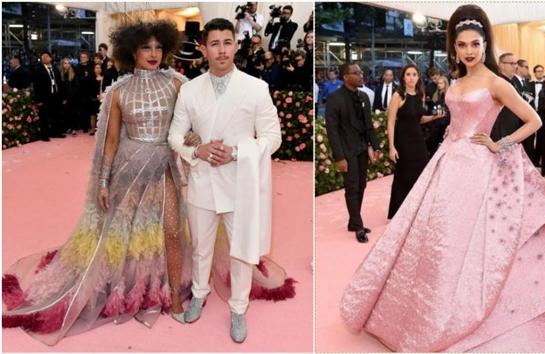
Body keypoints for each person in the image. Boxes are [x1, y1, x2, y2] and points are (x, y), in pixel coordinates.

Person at [340, 4, 545, 352]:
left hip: (481, 166)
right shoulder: (457, 81)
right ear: (455, 48)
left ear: (484, 43)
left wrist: (499, 144)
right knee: (437, 237)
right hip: (447, 164)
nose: (469, 51)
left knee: (490, 241)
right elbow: (455, 121)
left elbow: (533, 120)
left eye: (475, 44)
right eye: (462, 45)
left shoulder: (496, 82)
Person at [3, 19, 191, 345]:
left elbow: (187, 125)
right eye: (146, 46)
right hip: (128, 171)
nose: (153, 53)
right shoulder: (118, 91)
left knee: (172, 231)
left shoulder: (177, 84)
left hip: (164, 170)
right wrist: (103, 182)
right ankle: (130, 288)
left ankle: (173, 293)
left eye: (159, 46)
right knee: (129, 233)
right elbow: (112, 142)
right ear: (130, 50)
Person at [168, 18, 294, 343]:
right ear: (203, 48)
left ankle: (238, 308)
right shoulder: (190, 89)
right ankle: (199, 293)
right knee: (200, 248)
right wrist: (198, 152)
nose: (222, 50)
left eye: (227, 42)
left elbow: (273, 137)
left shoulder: (256, 87)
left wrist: (238, 152)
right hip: (202, 182)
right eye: (214, 43)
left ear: (236, 45)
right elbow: (174, 136)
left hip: (241, 184)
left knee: (241, 251)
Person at [325, 63, 380, 243]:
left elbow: (368, 125)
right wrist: (339, 157)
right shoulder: (335, 98)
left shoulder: (363, 96)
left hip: (362, 148)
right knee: (352, 187)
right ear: (345, 76)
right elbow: (332, 131)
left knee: (361, 185)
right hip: (346, 151)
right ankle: (358, 225)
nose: (361, 75)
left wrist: (376, 146)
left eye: (361, 72)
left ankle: (353, 222)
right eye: (356, 73)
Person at [386, 64, 441, 219]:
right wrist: (391, 147)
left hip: (418, 140)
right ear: (403, 77)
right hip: (403, 140)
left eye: (414, 74)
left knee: (420, 173)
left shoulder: (420, 94)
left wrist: (434, 117)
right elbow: (390, 122)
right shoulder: (398, 95)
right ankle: (399, 211)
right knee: (404, 175)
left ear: (418, 77)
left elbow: (420, 118)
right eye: (408, 74)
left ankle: (416, 208)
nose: (411, 77)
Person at [31, 51, 65, 141]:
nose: (44, 58)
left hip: (56, 95)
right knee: (44, 117)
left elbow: (59, 83)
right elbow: (36, 86)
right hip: (45, 97)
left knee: (56, 115)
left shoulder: (55, 68)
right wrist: (38, 100)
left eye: (46, 56)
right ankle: (44, 135)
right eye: (42, 57)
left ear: (51, 58)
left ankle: (56, 132)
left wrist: (62, 96)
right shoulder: (38, 69)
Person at [59, 57, 80, 136]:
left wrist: (71, 96)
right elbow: (61, 88)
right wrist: (64, 98)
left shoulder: (73, 73)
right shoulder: (61, 74)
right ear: (62, 64)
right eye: (65, 63)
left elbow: (77, 86)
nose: (66, 64)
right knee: (66, 113)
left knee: (73, 113)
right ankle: (69, 127)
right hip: (64, 98)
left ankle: (74, 128)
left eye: (68, 63)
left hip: (73, 98)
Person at [75, 50, 94, 133]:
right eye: (81, 57)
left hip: (90, 91)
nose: (82, 58)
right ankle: (84, 127)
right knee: (82, 110)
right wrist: (85, 78)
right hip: (80, 92)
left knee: (90, 109)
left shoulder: (91, 67)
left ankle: (90, 126)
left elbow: (91, 78)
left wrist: (85, 78)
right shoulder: (77, 67)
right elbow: (78, 79)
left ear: (88, 58)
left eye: (84, 57)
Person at [87, 63, 105, 135]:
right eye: (96, 68)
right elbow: (89, 89)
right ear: (94, 69)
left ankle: (100, 130)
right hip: (93, 98)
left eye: (99, 68)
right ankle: (93, 129)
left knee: (101, 115)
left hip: (102, 98)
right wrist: (96, 96)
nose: (98, 69)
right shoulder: (90, 78)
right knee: (92, 115)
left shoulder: (104, 78)